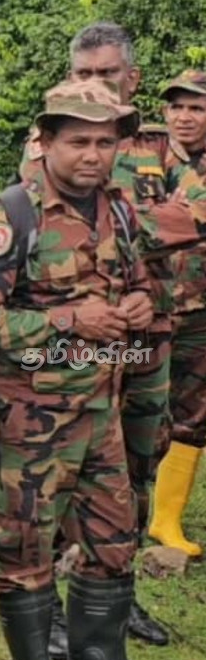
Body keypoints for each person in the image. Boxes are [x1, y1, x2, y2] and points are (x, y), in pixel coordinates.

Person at [0, 79, 176, 660]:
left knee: (114, 540)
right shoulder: (10, 216)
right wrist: (68, 319)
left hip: (101, 412)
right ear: (47, 141)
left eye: (104, 143)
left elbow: (141, 284)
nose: (92, 154)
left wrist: (140, 304)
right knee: (24, 550)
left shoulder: (120, 211)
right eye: (78, 141)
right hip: (31, 421)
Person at [21, 21, 179, 649]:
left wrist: (144, 257)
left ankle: (115, 589)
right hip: (74, 346)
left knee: (135, 461)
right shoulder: (49, 144)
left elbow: (185, 218)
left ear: (131, 78)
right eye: (83, 74)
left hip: (146, 332)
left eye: (106, 74)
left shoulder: (158, 144)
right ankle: (53, 602)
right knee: (58, 469)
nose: (95, 84)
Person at [149, 69, 206, 557]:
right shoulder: (140, 154)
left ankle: (165, 521)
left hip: (200, 313)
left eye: (197, 108)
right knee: (124, 405)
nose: (184, 116)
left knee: (193, 411)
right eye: (177, 107)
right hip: (144, 308)